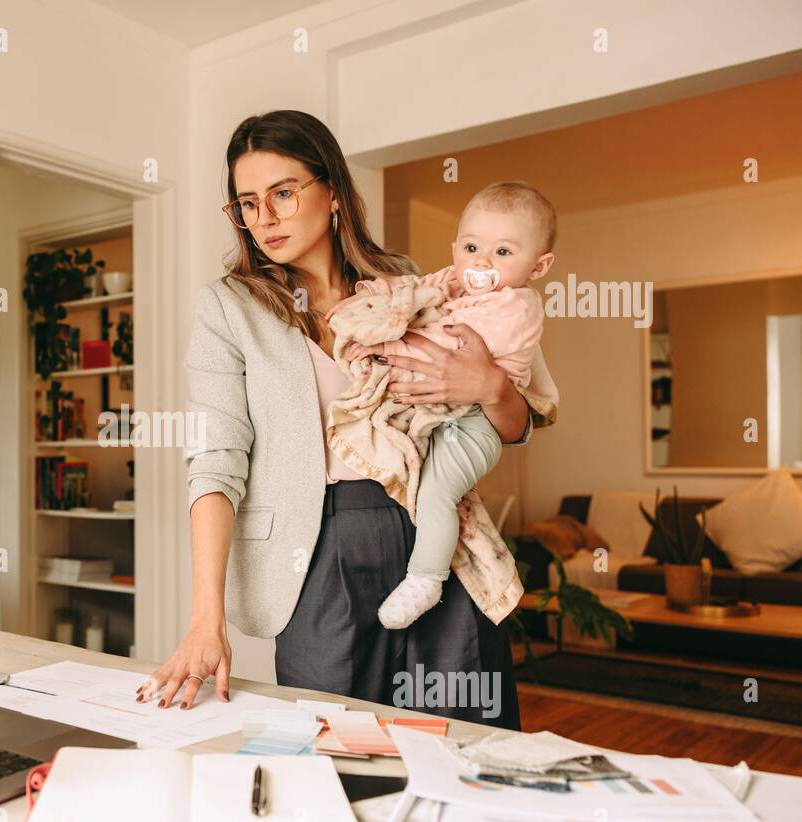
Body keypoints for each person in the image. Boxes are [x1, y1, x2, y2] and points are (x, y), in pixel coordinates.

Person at [135, 110, 559, 729]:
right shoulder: (228, 309)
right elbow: (215, 463)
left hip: (436, 538)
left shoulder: (412, 283)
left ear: (332, 189)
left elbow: (518, 419)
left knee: (469, 744)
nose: (265, 218)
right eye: (246, 203)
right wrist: (207, 621)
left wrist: (488, 384)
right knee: (337, 754)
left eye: (282, 192)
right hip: (317, 556)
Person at [329, 181, 557, 629]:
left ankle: (426, 579)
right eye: (471, 247)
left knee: (437, 490)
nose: (482, 262)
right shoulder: (457, 282)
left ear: (539, 266)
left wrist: (389, 332)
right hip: (432, 418)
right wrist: (393, 297)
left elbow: (449, 341)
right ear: (456, 248)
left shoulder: (516, 306)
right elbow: (422, 289)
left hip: (474, 425)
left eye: (504, 253)